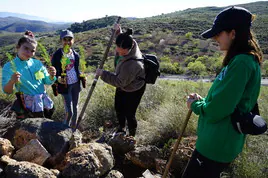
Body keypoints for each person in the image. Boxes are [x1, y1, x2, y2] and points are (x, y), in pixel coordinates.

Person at [183, 6, 262, 178]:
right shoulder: (240, 61)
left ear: (233, 33)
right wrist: (204, 100)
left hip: (215, 146)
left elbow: (219, 109)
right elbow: (226, 101)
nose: (214, 38)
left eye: (218, 33)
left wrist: (195, 105)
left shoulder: (241, 63)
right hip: (217, 142)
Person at [96, 25, 146, 137]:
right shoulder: (128, 41)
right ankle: (121, 129)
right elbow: (123, 38)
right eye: (118, 50)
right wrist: (119, 33)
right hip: (124, 81)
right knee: (119, 107)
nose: (119, 53)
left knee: (129, 113)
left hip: (134, 88)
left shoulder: (133, 64)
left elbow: (119, 82)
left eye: (122, 53)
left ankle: (132, 136)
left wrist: (103, 74)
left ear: (130, 48)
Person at [2, 31, 56, 119]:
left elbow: (46, 81)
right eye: (26, 48)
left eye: (32, 51)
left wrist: (52, 75)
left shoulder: (37, 63)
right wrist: (12, 82)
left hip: (43, 103)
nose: (29, 53)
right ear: (18, 47)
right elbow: (7, 91)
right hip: (27, 106)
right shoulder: (9, 67)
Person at [51, 29, 82, 128]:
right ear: (61, 40)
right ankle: (64, 131)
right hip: (65, 86)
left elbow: (76, 68)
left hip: (76, 84)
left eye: (70, 39)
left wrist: (81, 76)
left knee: (76, 109)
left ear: (73, 40)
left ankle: (73, 130)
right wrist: (57, 79)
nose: (68, 42)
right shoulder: (57, 55)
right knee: (70, 112)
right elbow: (54, 72)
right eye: (65, 39)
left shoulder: (75, 54)